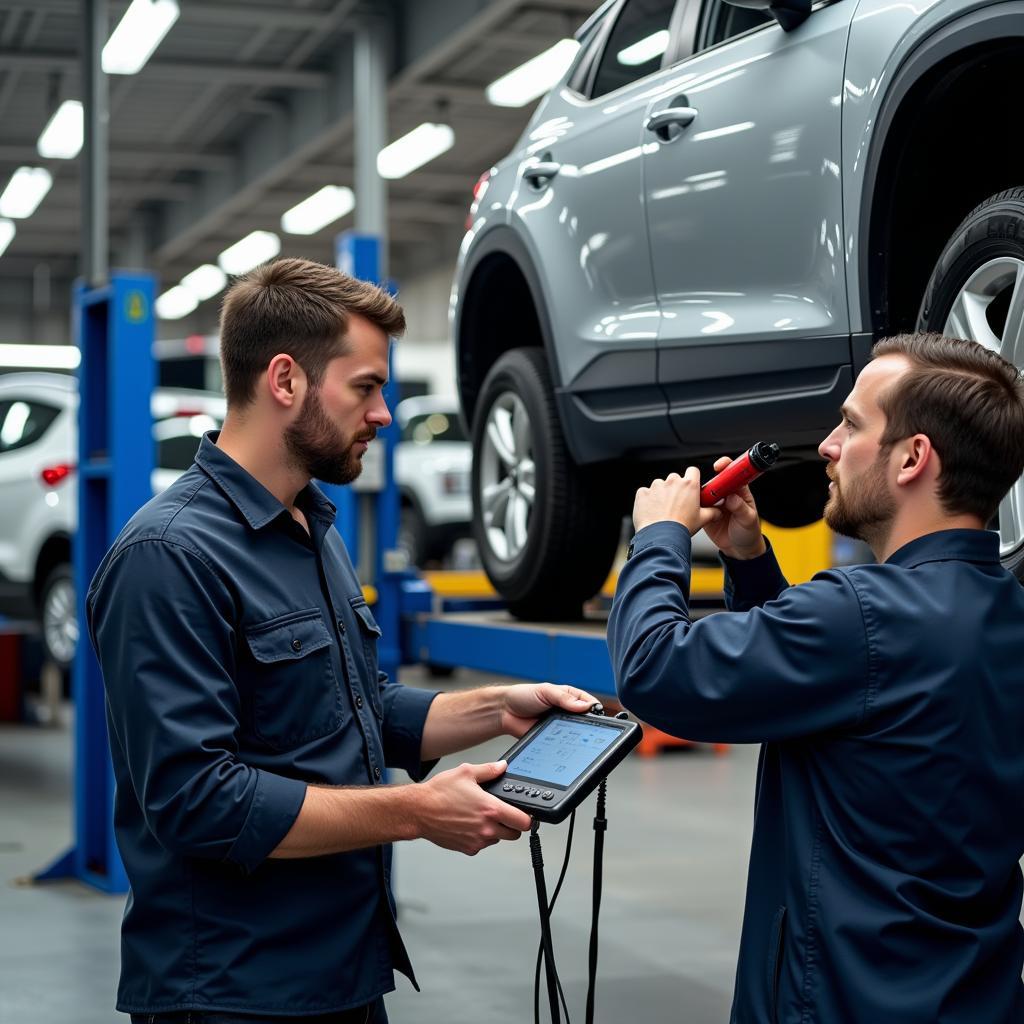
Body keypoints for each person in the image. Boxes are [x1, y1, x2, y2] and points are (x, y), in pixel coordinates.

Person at [87, 257, 597, 1024]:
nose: (385, 413)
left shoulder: (310, 526)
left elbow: (359, 706)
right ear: (285, 380)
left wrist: (498, 707)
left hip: (344, 972)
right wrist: (415, 811)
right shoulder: (169, 557)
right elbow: (198, 801)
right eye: (365, 387)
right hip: (234, 993)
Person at [608, 333, 1024, 1023]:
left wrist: (658, 539)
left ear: (913, 458)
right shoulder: (1004, 613)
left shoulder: (860, 616)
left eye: (853, 424)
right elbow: (836, 699)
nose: (829, 445)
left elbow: (654, 671)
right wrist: (749, 562)